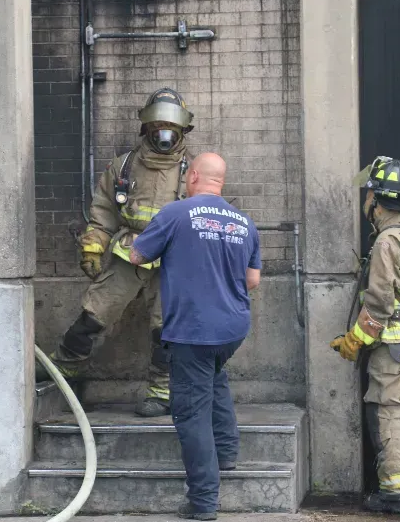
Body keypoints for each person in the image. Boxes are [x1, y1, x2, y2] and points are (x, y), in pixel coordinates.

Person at [36, 87, 195, 418]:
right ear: (146, 128)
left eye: (170, 128)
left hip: (174, 260)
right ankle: (67, 368)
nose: (163, 135)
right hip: (130, 252)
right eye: (157, 128)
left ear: (181, 131)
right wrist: (92, 248)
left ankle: (161, 392)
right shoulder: (124, 166)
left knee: (166, 327)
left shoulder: (191, 171)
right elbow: (104, 211)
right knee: (95, 312)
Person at [129, 152, 261, 521]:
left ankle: (203, 502)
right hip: (232, 328)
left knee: (191, 411)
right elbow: (253, 280)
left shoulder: (175, 213)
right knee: (214, 378)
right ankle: (228, 452)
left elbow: (138, 256)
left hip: (193, 330)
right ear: (221, 181)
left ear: (192, 178)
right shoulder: (244, 221)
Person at [329, 156, 400, 514]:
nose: (367, 204)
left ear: (378, 202)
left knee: (392, 416)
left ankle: (396, 494)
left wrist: (354, 341)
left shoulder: (387, 242)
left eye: (369, 197)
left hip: (393, 350)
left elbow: (378, 305)